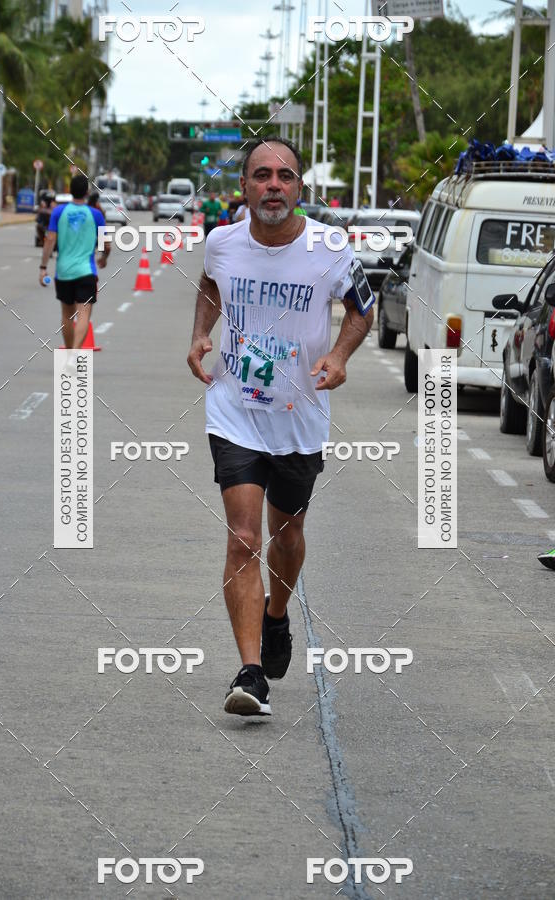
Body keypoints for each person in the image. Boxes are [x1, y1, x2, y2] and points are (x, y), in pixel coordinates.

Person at [187, 137, 375, 717]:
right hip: (234, 410)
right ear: (243, 186)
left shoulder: (329, 248)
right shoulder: (222, 242)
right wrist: (201, 333)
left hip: (300, 418)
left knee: (286, 536)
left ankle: (276, 615)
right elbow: (213, 285)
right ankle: (249, 674)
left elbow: (363, 306)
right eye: (261, 175)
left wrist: (340, 356)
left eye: (285, 176)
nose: (273, 185)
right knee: (243, 537)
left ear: (299, 188)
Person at [40, 173, 110, 350]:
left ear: (70, 191)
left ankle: (70, 351)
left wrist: (43, 267)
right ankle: (76, 351)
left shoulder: (58, 212)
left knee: (66, 315)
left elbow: (50, 240)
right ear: (86, 192)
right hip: (86, 271)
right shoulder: (96, 214)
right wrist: (104, 257)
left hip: (63, 272)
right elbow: (106, 244)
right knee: (84, 314)